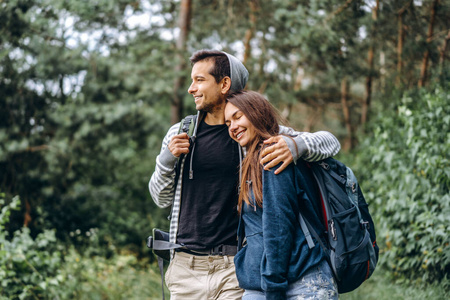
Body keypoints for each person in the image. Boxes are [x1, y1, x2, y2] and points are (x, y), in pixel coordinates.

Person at [149, 49, 341, 300]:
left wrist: (296, 146)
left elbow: (330, 142)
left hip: (234, 267)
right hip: (186, 269)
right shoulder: (181, 132)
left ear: (224, 84)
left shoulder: (252, 132)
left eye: (199, 80)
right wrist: (166, 159)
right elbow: (160, 198)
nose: (190, 88)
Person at [224, 90, 338, 300]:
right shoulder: (250, 161)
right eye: (228, 123)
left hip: (301, 282)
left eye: (238, 117)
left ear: (256, 113)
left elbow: (278, 226)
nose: (232, 127)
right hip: (260, 284)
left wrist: (273, 288)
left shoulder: (275, 153)